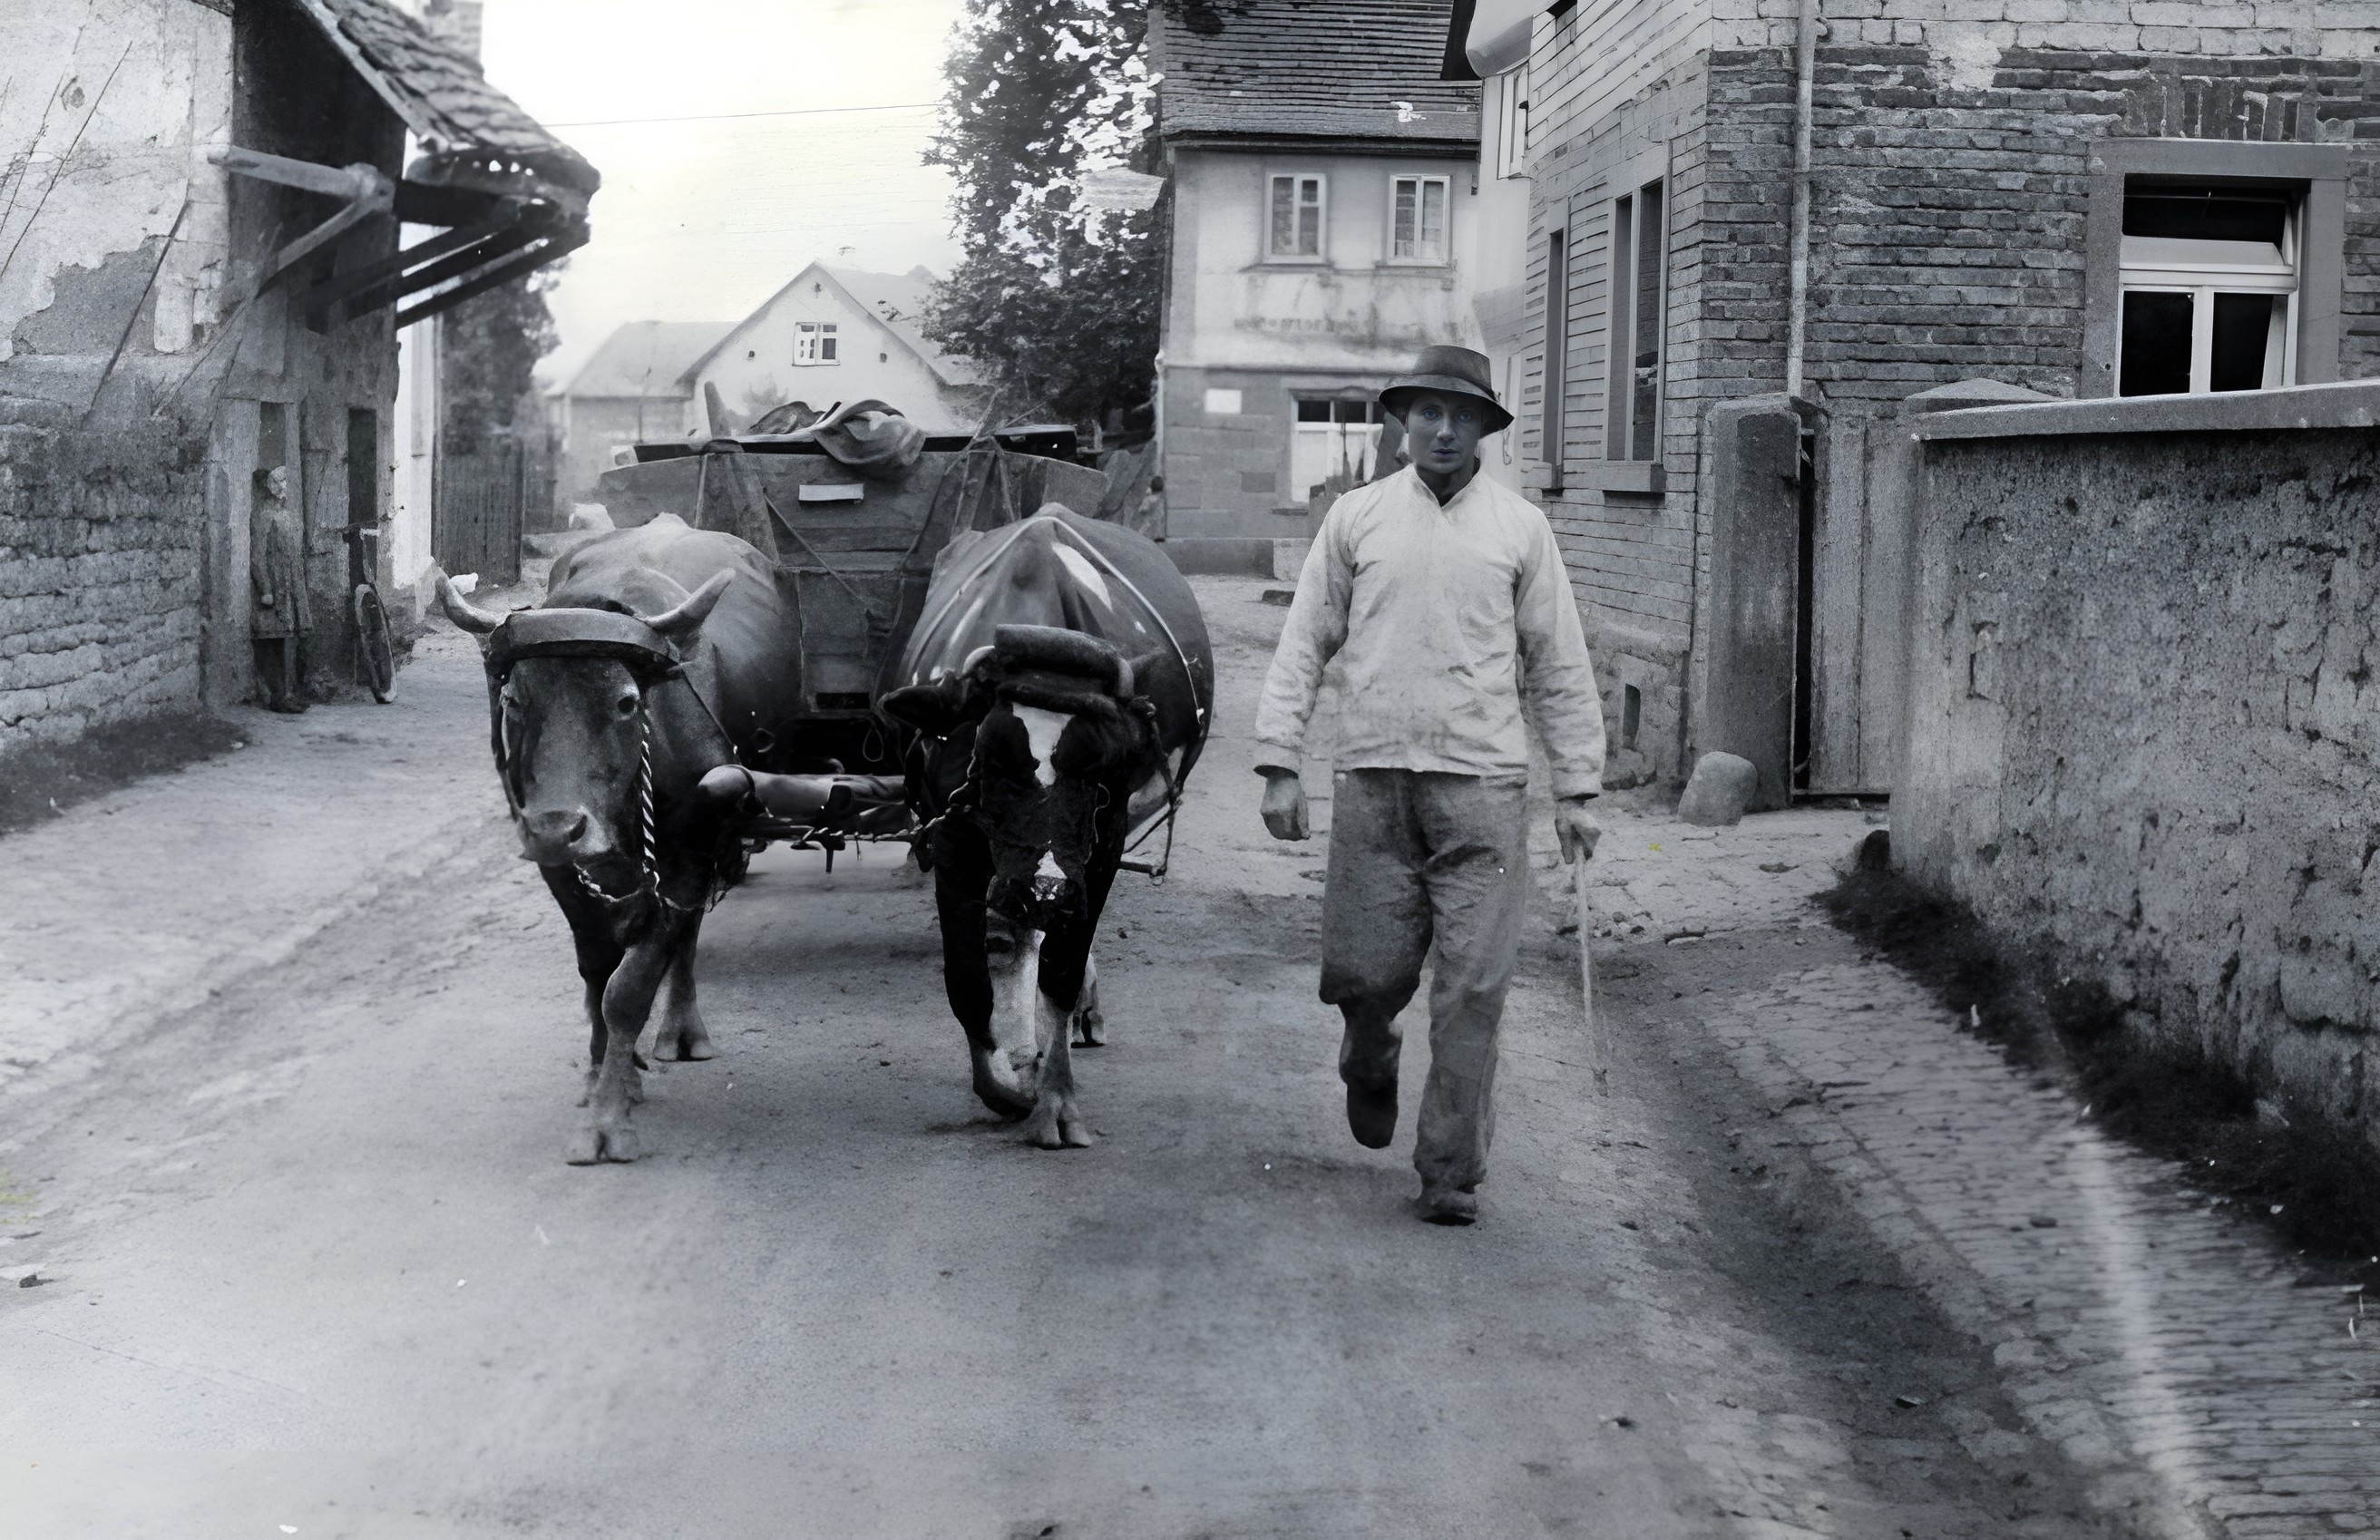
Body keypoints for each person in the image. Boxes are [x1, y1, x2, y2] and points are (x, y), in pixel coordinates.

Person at [1253, 345, 1605, 1226]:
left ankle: (1449, 1170)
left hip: (1483, 792)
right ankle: (1367, 1054)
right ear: (1403, 422)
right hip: (1374, 786)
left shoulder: (1520, 528)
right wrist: (1280, 761)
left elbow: (1556, 661)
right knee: (1367, 977)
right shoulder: (1358, 519)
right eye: (1428, 413)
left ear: (1484, 428)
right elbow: (1304, 641)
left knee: (1473, 989)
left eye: (1462, 416)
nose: (1444, 430)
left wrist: (1577, 789)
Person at [249, 464, 310, 714]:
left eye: (285, 483)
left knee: (286, 638)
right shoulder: (263, 514)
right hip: (274, 587)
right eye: (278, 483)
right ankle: (277, 696)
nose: (283, 488)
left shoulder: (285, 513)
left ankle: (287, 693)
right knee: (272, 641)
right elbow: (257, 554)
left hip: (288, 586)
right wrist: (265, 588)